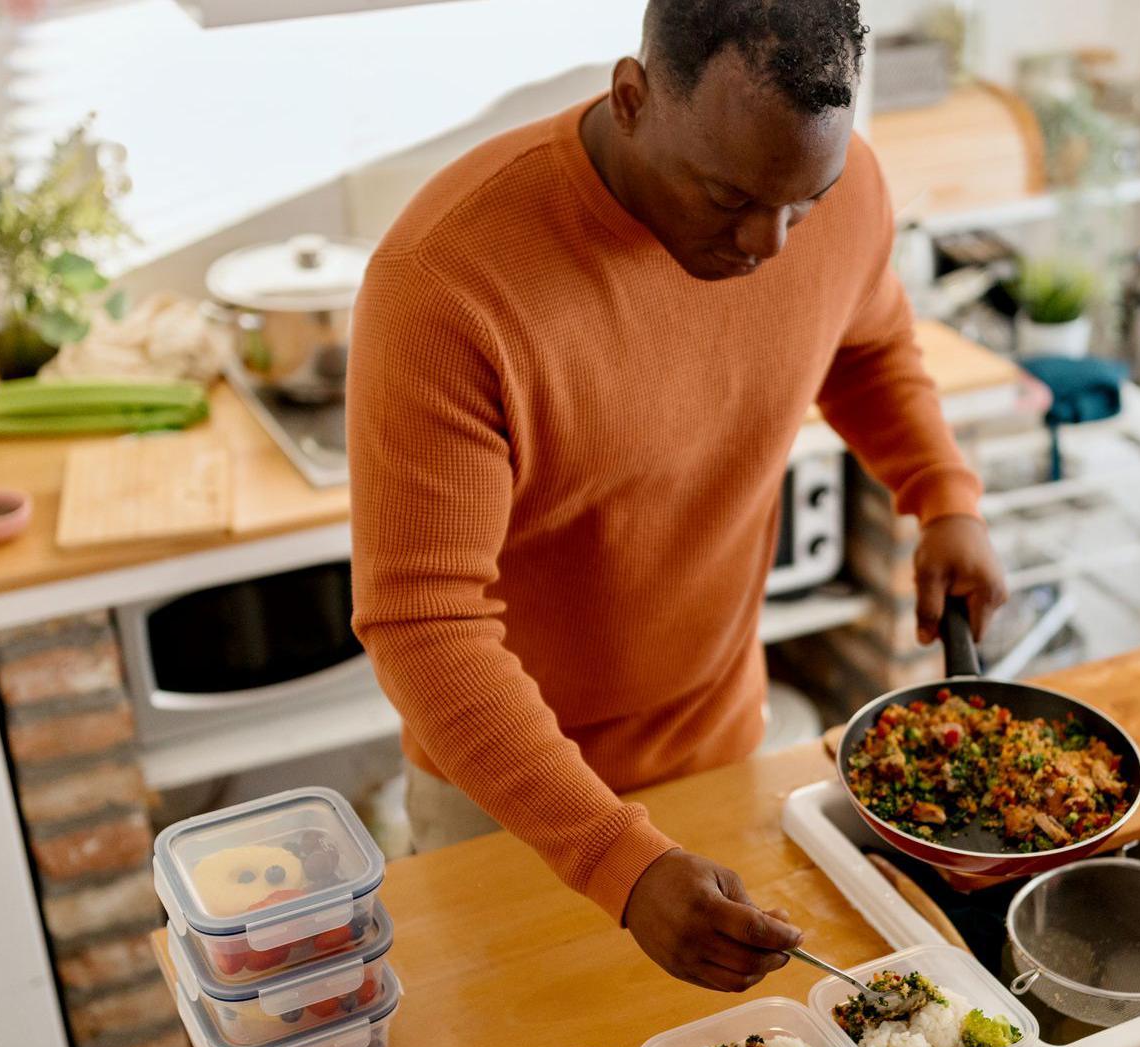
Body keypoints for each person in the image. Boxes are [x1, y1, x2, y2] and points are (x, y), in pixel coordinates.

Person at [347, 0, 1006, 992]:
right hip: (507, 803)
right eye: (727, 196)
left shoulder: (837, 188)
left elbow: (865, 344)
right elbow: (422, 624)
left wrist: (942, 496)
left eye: (805, 203)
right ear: (632, 96)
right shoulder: (447, 281)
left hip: (720, 748)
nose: (771, 243)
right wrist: (619, 861)